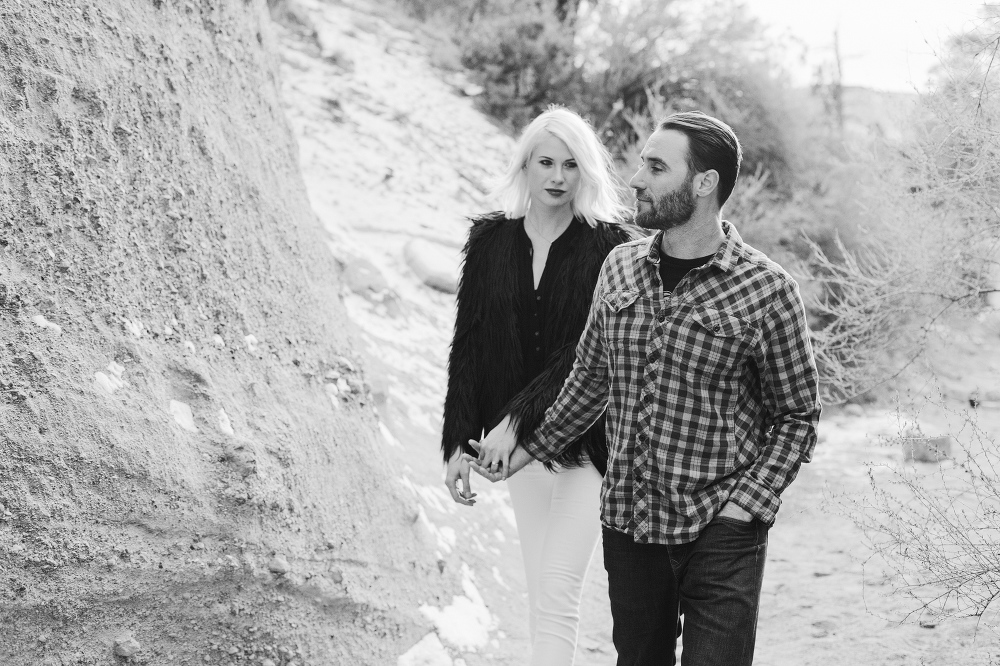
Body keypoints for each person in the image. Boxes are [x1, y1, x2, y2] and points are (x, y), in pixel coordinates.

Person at [471, 111, 821, 666]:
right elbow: (589, 381)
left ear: (703, 183)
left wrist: (746, 506)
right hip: (631, 526)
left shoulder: (767, 289)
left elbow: (797, 417)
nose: (636, 179)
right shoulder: (619, 269)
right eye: (641, 164)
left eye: (656, 167)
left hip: (721, 529)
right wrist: (526, 452)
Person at [441, 106, 635, 665]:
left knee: (556, 586)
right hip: (518, 453)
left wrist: (513, 421)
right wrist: (458, 439)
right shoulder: (489, 242)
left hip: (586, 441)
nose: (557, 176)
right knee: (539, 589)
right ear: (524, 166)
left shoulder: (609, 248)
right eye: (546, 162)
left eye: (571, 165)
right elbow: (470, 345)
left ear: (586, 173)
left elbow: (585, 352)